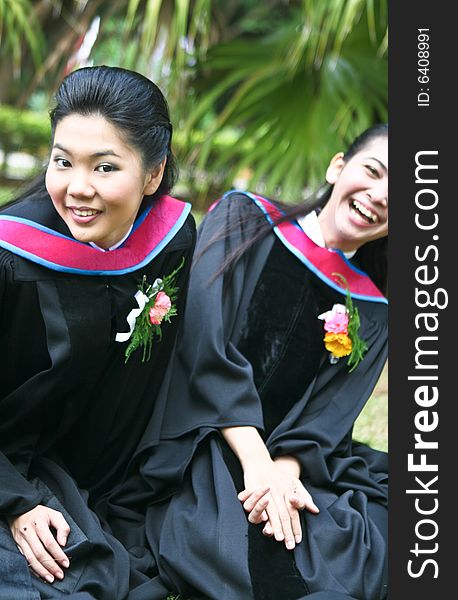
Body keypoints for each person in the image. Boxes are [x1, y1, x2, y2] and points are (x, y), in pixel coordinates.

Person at [119, 124, 388, 600]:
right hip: (203, 430)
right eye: (374, 171)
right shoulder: (244, 220)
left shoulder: (374, 306)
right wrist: (256, 463)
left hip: (294, 455)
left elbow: (334, 408)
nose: (382, 196)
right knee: (223, 538)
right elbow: (204, 345)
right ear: (338, 167)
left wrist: (284, 470)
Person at [0, 65, 195, 599]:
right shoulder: (10, 255)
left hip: (108, 477)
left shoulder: (171, 239)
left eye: (105, 167)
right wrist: (15, 500)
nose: (77, 188)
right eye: (62, 162)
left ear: (152, 175)